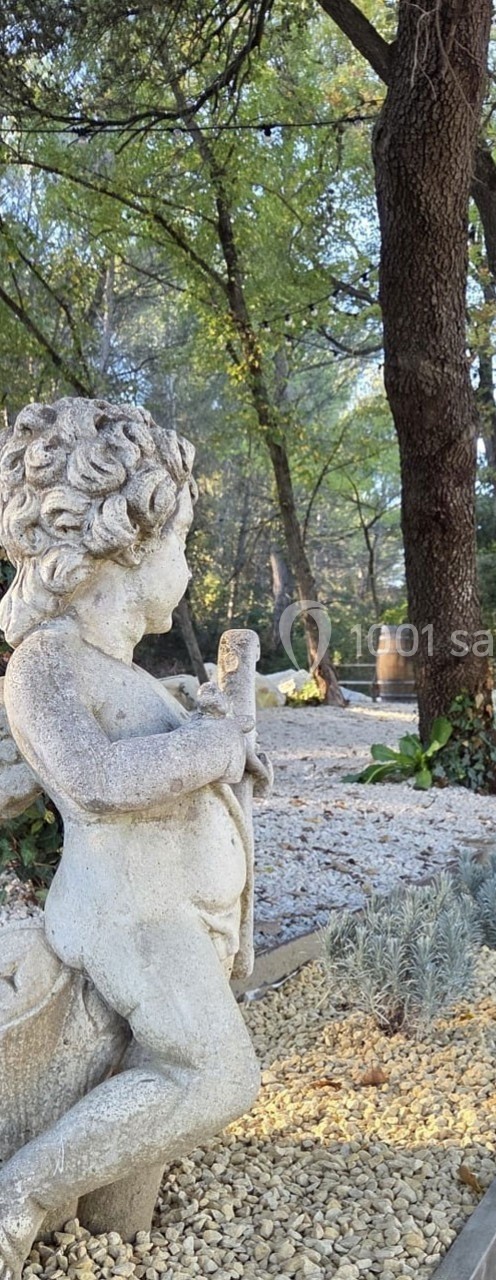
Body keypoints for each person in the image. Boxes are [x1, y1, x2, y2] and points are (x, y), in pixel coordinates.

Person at [0, 398, 267, 1280]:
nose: (187, 568)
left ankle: (109, 1231)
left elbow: (178, 773)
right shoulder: (44, 663)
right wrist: (211, 746)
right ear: (125, 543)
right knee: (216, 1076)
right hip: (126, 917)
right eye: (182, 544)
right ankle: (23, 1192)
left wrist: (225, 759)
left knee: (127, 1201)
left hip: (175, 919)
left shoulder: (132, 680)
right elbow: (98, 785)